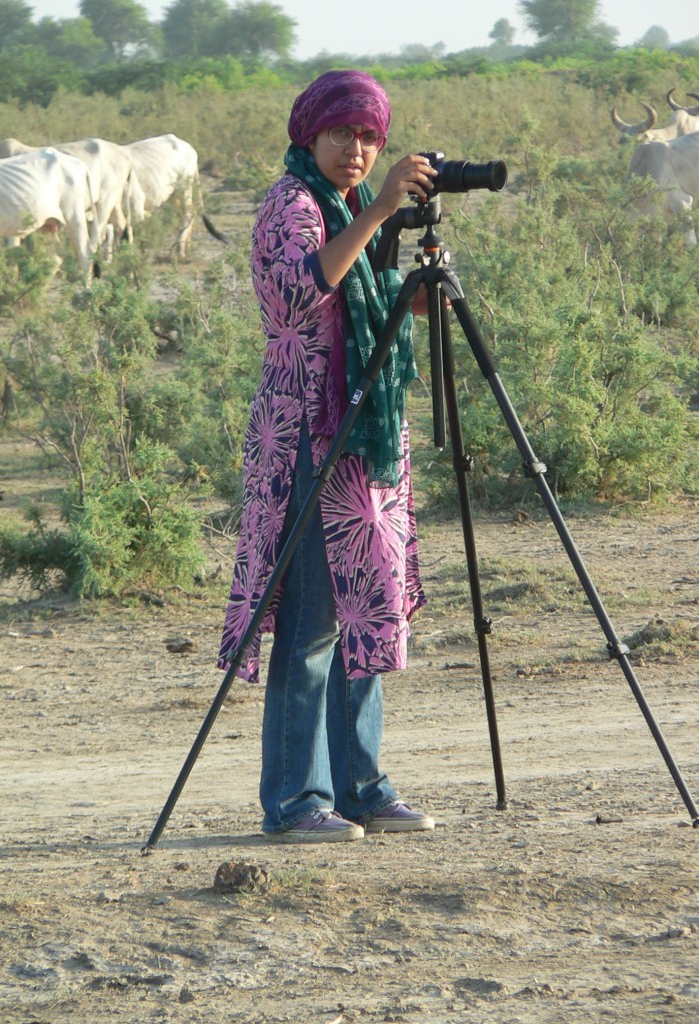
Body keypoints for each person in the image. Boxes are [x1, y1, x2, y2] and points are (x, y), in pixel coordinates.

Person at [217, 70, 438, 844]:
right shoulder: (292, 203)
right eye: (344, 133)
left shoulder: (347, 205)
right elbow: (293, 298)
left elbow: (358, 294)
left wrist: (409, 295)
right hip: (309, 429)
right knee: (312, 619)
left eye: (372, 138)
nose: (358, 149)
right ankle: (296, 799)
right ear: (309, 133)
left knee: (365, 612)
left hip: (362, 432)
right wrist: (382, 207)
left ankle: (363, 788)